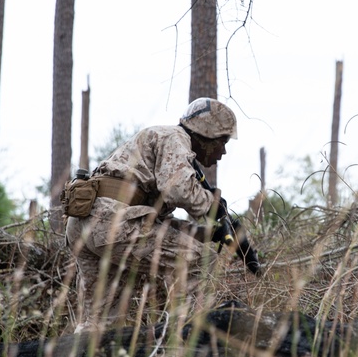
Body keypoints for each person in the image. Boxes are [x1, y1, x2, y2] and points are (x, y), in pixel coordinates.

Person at [64, 97, 240, 330]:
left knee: (100, 322)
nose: (223, 151)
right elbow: (178, 189)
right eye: (222, 141)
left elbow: (152, 222)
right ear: (208, 134)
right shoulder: (175, 138)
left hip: (88, 223)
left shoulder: (162, 143)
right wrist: (212, 206)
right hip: (112, 223)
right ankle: (189, 342)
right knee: (200, 260)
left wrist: (205, 233)